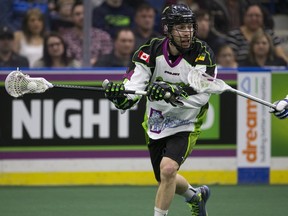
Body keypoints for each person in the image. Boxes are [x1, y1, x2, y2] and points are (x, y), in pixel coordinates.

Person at [103, 4, 215, 216]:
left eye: (190, 26)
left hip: (186, 122)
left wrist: (172, 91)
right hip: (156, 122)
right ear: (168, 30)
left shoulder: (203, 54)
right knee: (164, 176)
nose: (187, 32)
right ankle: (195, 196)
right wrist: (122, 96)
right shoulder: (149, 51)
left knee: (168, 169)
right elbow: (134, 89)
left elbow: (202, 94)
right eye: (180, 27)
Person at [61, 1, 113, 65]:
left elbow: (108, 57)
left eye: (84, 13)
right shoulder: (64, 38)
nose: (82, 17)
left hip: (98, 72)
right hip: (73, 72)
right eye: (77, 14)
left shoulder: (103, 36)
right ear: (72, 17)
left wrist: (96, 61)